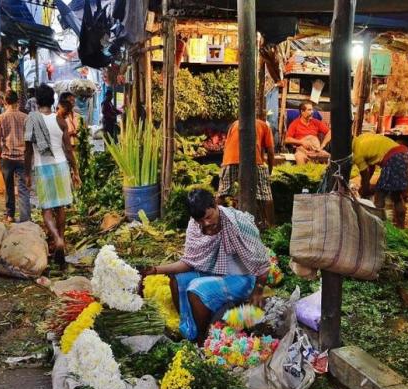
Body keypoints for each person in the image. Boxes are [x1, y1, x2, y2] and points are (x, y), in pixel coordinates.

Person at [141, 189, 271, 344]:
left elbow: (263, 264)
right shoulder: (195, 225)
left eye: (208, 217)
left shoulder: (238, 223)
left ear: (215, 205)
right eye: (200, 220)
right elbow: (189, 262)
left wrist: (258, 291)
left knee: (196, 289)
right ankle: (190, 330)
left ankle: (203, 340)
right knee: (177, 280)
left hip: (242, 277)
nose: (206, 223)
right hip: (214, 271)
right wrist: (155, 270)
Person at [24, 84, 81, 266]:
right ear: (52, 100)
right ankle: (62, 238)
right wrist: (75, 171)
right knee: (60, 206)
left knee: (46, 208)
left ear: (37, 101)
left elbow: (28, 150)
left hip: (43, 167)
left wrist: (27, 173)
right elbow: (68, 149)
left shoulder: (32, 120)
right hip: (61, 166)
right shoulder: (60, 121)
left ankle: (56, 238)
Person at [217, 118, 275, 228]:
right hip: (253, 160)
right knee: (266, 194)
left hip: (230, 159)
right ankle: (272, 226)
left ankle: (217, 224)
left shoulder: (235, 123)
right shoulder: (264, 125)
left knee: (222, 193)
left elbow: (227, 145)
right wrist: (270, 171)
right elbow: (271, 152)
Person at [354, 133, 408, 229]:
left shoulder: (357, 153)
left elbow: (365, 175)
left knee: (380, 195)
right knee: (396, 195)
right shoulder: (362, 139)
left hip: (394, 159)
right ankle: (401, 227)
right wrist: (365, 186)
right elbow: (370, 168)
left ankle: (377, 227)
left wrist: (365, 189)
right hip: (405, 155)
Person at [0, 90, 30, 223]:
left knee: (8, 188)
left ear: (5, 101)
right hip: (22, 157)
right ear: (17, 101)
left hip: (6, 158)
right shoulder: (26, 118)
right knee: (23, 189)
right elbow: (30, 140)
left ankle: (10, 215)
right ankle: (25, 218)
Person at [284, 100, 331, 165]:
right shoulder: (295, 124)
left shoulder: (316, 122)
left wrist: (323, 145)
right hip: (302, 150)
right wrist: (302, 142)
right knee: (299, 157)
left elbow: (330, 132)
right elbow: (287, 139)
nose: (312, 112)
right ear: (302, 112)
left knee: (328, 158)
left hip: (316, 150)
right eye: (309, 110)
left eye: (312, 110)